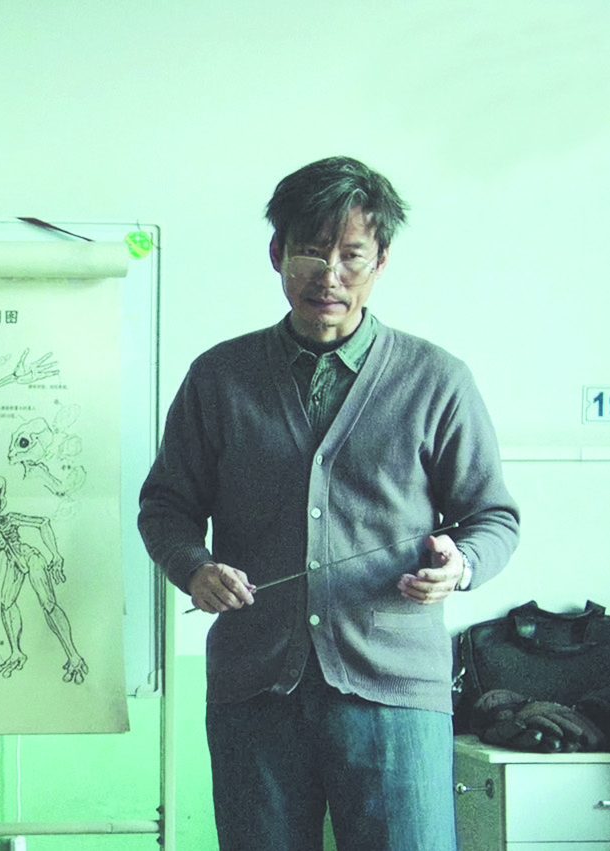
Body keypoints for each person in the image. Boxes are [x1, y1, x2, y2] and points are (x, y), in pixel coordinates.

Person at [137, 155, 519, 851]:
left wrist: (459, 564)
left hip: (395, 692)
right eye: (311, 252)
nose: (329, 275)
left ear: (381, 261)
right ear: (277, 254)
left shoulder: (435, 379)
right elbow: (165, 505)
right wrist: (193, 567)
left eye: (351, 254)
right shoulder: (219, 378)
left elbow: (492, 516)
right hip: (254, 689)